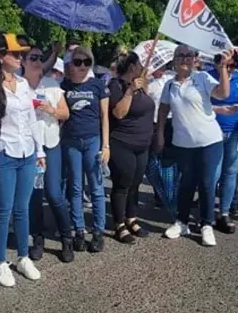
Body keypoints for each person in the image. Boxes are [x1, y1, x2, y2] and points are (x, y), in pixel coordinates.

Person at [0, 34, 45, 287]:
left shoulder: (24, 84)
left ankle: (23, 257)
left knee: (22, 208)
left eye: (21, 54)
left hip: (26, 153)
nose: (19, 58)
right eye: (15, 54)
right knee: (3, 209)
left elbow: (31, 119)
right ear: (0, 56)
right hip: (2, 154)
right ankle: (1, 262)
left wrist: (40, 151)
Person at [156, 45, 232, 246]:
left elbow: (222, 94)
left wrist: (223, 69)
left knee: (206, 183)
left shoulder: (202, 78)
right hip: (182, 143)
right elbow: (163, 110)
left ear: (194, 59)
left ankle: (206, 224)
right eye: (180, 56)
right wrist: (160, 135)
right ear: (174, 60)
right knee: (186, 183)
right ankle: (181, 222)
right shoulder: (169, 85)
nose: (185, 59)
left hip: (209, 141)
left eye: (189, 55)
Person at [21, 44, 73, 262]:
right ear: (23, 61)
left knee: (53, 193)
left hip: (50, 145)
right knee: (34, 196)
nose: (37, 61)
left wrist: (51, 109)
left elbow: (65, 113)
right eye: (32, 58)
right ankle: (38, 237)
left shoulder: (52, 84)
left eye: (39, 57)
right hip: (29, 148)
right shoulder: (18, 86)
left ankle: (66, 237)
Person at [61, 46, 110, 253]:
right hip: (71, 141)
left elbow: (105, 117)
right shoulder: (64, 85)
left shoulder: (98, 85)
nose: (82, 66)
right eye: (77, 61)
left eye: (86, 62)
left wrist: (106, 145)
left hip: (92, 140)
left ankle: (98, 231)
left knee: (96, 187)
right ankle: (79, 230)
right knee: (75, 188)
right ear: (71, 63)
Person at [108, 52, 154, 243]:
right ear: (132, 66)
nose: (143, 66)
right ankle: (119, 224)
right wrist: (130, 91)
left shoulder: (141, 84)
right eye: (140, 63)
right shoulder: (116, 85)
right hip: (123, 143)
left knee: (135, 183)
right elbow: (119, 113)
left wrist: (144, 86)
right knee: (122, 184)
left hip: (142, 144)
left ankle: (131, 218)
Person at [209, 57, 238, 234]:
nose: (230, 68)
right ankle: (207, 213)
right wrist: (218, 109)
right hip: (213, 132)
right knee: (213, 174)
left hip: (236, 132)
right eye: (226, 65)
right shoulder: (208, 77)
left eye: (233, 65)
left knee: (230, 172)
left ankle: (224, 212)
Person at [145, 64, 178, 217]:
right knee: (152, 162)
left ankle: (172, 196)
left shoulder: (170, 79)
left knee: (170, 163)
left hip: (170, 123)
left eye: (163, 66)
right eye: (159, 67)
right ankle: (159, 193)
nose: (162, 69)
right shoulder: (148, 82)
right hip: (152, 124)